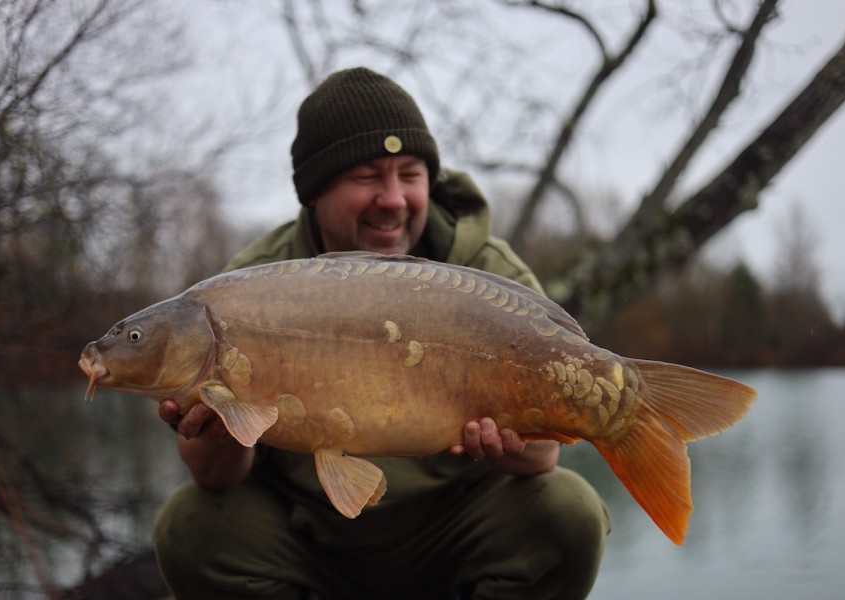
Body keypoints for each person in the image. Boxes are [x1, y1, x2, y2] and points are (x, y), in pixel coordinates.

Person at [153, 67, 610, 600]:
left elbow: (541, 460)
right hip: (307, 540)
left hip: (455, 533)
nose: (392, 198)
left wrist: (512, 445)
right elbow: (215, 482)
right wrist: (219, 432)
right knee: (189, 525)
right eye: (367, 176)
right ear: (314, 192)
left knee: (568, 511)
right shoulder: (241, 291)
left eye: (410, 174)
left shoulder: (489, 276)